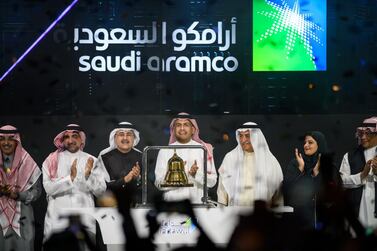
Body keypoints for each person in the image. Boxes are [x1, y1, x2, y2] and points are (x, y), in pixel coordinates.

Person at [42, 124, 106, 241]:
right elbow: (48, 189)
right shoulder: (51, 160)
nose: (70, 140)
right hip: (57, 218)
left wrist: (88, 176)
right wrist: (70, 178)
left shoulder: (93, 160)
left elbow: (101, 192)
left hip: (84, 219)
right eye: (67, 137)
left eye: (75, 136)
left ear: (82, 139)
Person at [154, 113, 217, 203]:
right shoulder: (165, 151)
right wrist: (179, 177)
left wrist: (196, 175)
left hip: (197, 206)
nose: (182, 128)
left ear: (193, 129)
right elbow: (158, 183)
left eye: (186, 125)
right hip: (172, 206)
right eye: (178, 125)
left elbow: (212, 181)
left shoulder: (203, 149)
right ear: (174, 129)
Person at [217, 122, 283, 206]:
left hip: (262, 216)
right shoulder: (230, 158)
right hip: (235, 214)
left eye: (247, 136)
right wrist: (221, 214)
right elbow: (222, 191)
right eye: (240, 136)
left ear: (256, 137)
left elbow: (278, 196)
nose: (243, 140)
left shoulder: (270, 161)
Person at [0, 125, 42, 251]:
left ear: (17, 140)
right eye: (2, 139)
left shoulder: (27, 161)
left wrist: (19, 195)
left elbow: (37, 191)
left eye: (10, 139)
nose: (6, 143)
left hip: (23, 218)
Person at [283, 131, 328, 229]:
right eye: (305, 143)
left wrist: (316, 173)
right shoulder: (296, 163)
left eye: (310, 142)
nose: (306, 145)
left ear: (319, 144)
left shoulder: (327, 164)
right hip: (299, 218)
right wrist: (300, 169)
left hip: (322, 218)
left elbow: (331, 191)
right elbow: (286, 189)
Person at [339, 116, 377, 229]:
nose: (364, 137)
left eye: (368, 133)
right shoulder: (349, 156)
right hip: (357, 211)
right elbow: (341, 181)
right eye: (361, 133)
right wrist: (362, 175)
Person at [96, 122, 141, 204]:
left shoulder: (141, 156)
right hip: (111, 203)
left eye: (129, 134)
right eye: (121, 134)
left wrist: (137, 178)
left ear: (134, 138)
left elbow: (147, 186)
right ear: (115, 138)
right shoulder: (104, 156)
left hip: (135, 203)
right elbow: (101, 186)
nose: (125, 138)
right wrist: (124, 180)